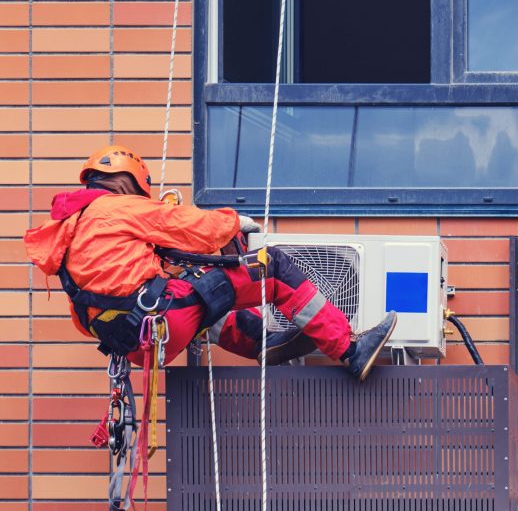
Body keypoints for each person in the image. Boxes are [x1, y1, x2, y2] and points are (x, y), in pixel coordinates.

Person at [23, 145, 396, 381]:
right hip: (159, 321)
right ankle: (349, 350)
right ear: (128, 184)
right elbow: (189, 227)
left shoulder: (70, 233)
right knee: (274, 267)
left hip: (136, 343)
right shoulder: (116, 207)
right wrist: (234, 223)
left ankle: (263, 343)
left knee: (201, 297)